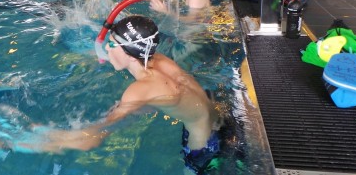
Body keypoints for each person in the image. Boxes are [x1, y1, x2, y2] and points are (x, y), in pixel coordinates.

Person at [15, 15, 221, 174]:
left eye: (112, 45)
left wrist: (41, 139)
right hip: (214, 116)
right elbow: (167, 96)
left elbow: (90, 139)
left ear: (131, 54)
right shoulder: (159, 60)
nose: (106, 47)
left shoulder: (138, 90)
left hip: (201, 144)